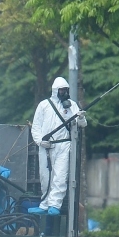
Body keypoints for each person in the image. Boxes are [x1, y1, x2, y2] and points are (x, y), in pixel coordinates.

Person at [29, 77, 86, 216]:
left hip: (64, 145)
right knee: (45, 177)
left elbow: (83, 124)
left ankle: (54, 205)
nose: (64, 92)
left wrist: (80, 117)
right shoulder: (44, 105)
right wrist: (40, 141)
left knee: (60, 176)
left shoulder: (72, 105)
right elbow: (36, 127)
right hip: (46, 146)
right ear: (55, 91)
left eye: (66, 90)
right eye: (61, 90)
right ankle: (44, 204)